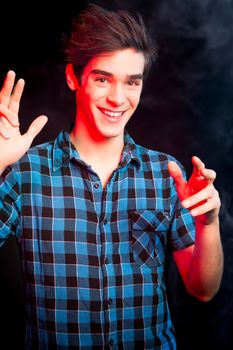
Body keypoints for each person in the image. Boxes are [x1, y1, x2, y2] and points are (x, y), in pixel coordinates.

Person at [0, 4, 223, 349]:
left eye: (132, 82)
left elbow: (203, 289)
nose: (118, 98)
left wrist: (208, 224)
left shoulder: (166, 174)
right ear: (74, 78)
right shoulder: (26, 171)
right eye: (103, 79)